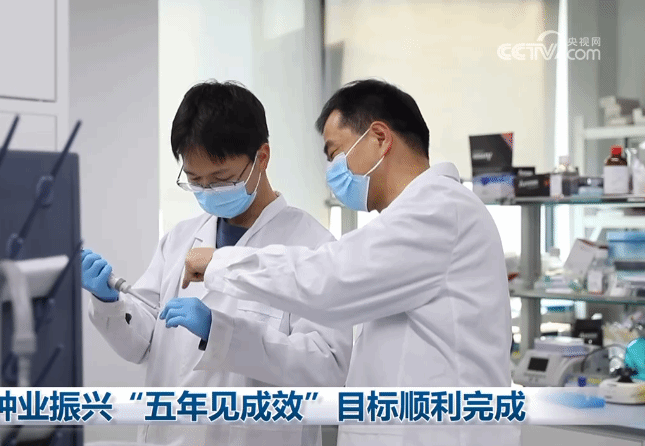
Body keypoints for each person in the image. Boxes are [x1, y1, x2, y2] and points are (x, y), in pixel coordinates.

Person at [182, 79, 519, 446]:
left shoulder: (439, 209)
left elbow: (329, 281)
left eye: (335, 153)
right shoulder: (419, 216)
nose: (332, 172)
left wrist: (222, 264)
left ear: (379, 138)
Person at [81, 81, 352, 446]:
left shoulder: (312, 248)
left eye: (222, 179)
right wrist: (110, 303)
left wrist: (221, 334)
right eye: (196, 181)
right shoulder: (179, 240)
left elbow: (326, 369)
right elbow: (140, 345)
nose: (208, 192)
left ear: (262, 157)